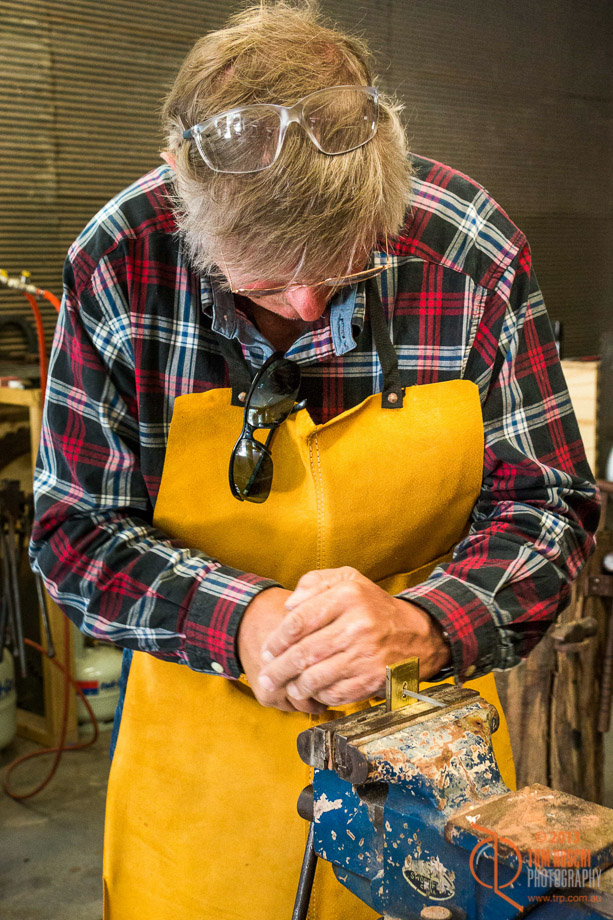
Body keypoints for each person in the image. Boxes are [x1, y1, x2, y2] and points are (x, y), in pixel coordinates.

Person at [30, 3, 599, 919]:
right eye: (261, 277)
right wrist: (244, 623)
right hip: (200, 747)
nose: (303, 303)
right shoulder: (119, 262)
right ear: (180, 190)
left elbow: (546, 502)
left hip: (424, 726)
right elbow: (73, 531)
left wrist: (426, 622)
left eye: (342, 266)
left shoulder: (465, 250)